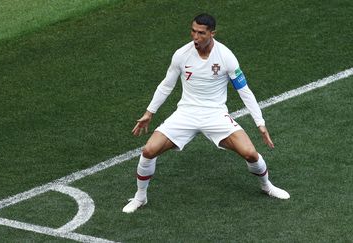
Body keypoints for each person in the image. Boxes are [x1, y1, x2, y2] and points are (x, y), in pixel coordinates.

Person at [122, 13, 290, 213]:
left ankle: (266, 186)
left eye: (201, 33)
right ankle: (140, 197)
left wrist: (260, 123)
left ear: (212, 33)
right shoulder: (181, 55)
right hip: (186, 113)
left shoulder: (226, 56)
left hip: (215, 115)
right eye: (193, 31)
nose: (195, 37)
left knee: (251, 153)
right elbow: (167, 85)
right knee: (149, 150)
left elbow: (244, 90)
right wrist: (150, 112)